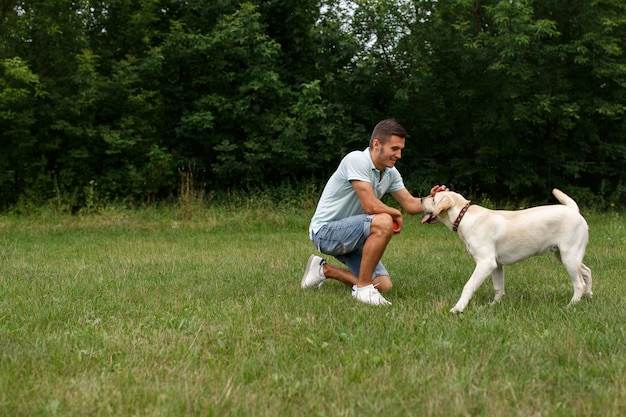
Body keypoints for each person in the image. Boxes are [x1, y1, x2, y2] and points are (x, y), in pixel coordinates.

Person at [301, 119, 447, 305]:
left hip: (354, 235)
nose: (399, 155)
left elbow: (411, 204)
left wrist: (434, 200)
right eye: (394, 148)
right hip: (325, 233)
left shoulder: (390, 173)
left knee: (383, 285)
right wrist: (395, 213)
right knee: (384, 220)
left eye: (401, 149)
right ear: (376, 144)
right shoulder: (356, 160)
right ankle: (363, 288)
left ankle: (324, 270)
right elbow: (370, 205)